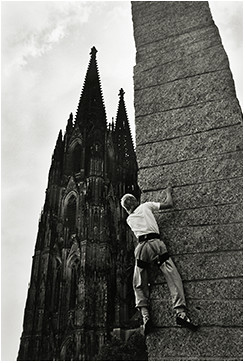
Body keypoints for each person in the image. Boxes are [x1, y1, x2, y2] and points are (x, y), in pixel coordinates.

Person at [121, 187, 198, 334]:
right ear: (136, 201)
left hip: (141, 248)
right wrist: (168, 192)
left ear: (126, 209)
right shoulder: (146, 206)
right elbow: (168, 204)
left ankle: (145, 316)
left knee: (138, 282)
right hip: (156, 244)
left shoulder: (129, 219)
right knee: (172, 275)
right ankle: (180, 313)